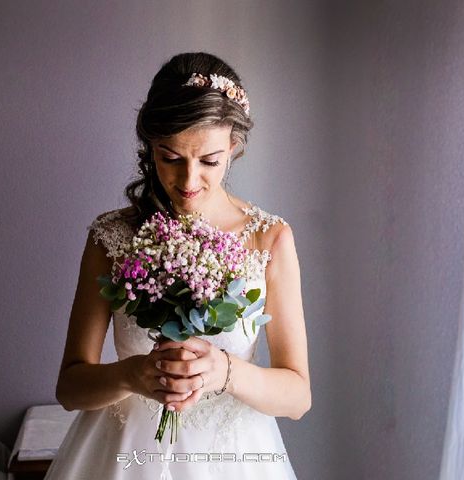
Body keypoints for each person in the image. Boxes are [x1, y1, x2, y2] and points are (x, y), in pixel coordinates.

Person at [44, 52, 311, 480]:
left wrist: (225, 372)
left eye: (209, 161)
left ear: (234, 147)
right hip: (123, 455)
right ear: (150, 147)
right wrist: (132, 375)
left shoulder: (270, 238)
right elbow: (70, 388)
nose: (188, 182)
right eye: (170, 158)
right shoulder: (110, 237)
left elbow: (298, 397)